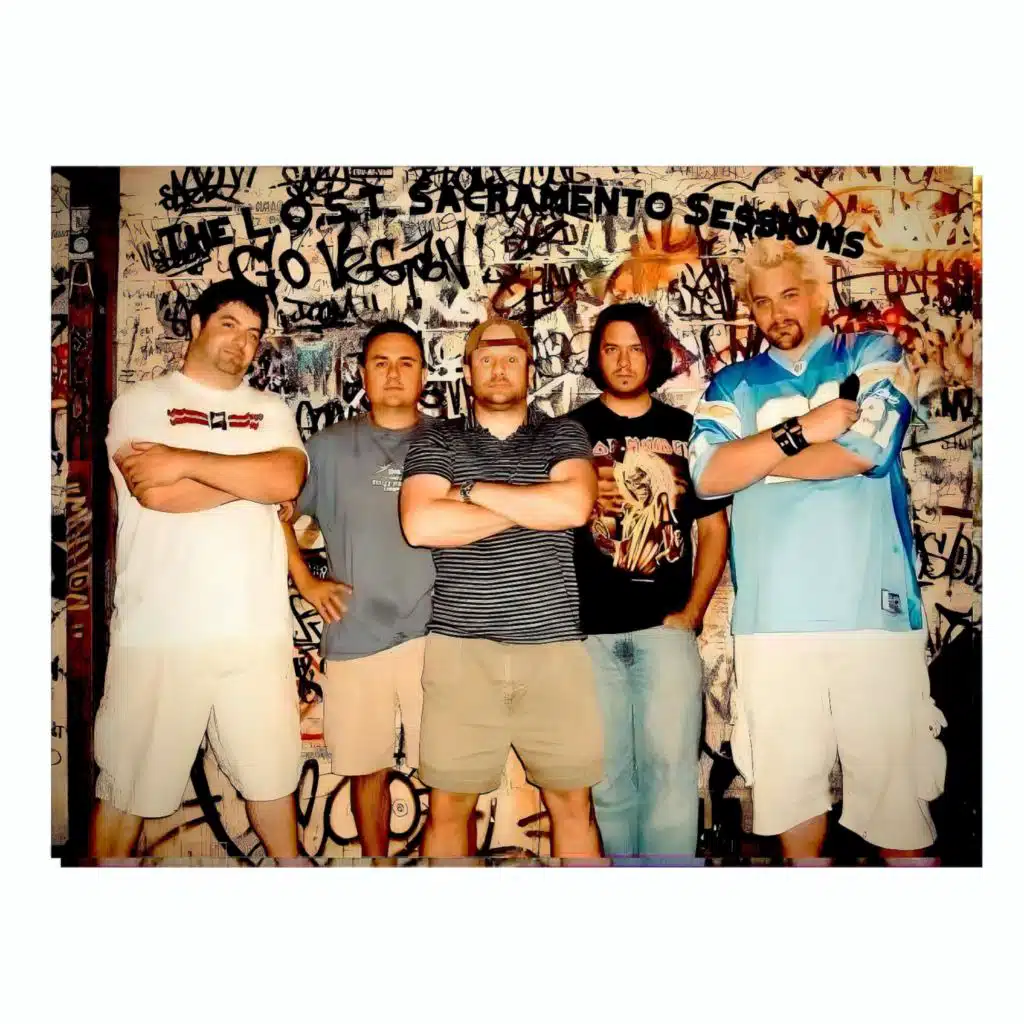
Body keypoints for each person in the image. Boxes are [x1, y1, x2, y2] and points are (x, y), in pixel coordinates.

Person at [688, 238, 945, 865]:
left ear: (818, 294)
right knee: (790, 804)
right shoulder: (733, 383)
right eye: (762, 301)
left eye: (789, 295)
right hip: (772, 624)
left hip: (875, 618)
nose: (777, 312)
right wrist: (802, 430)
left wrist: (756, 460)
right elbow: (706, 478)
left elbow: (867, 450)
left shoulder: (872, 353)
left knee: (899, 808)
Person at [90, 277, 309, 864]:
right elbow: (156, 494)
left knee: (273, 783)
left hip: (255, 633)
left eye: (254, 334)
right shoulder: (142, 404)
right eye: (229, 325)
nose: (242, 343)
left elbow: (287, 477)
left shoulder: (270, 410)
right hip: (160, 633)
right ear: (196, 325)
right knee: (127, 792)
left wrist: (183, 460)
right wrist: (252, 481)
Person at [399, 317, 604, 859]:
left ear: (529, 369)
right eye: (486, 358)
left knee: (573, 805)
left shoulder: (562, 433)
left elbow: (575, 507)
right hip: (460, 650)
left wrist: (468, 491)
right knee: (448, 809)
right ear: (467, 372)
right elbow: (420, 524)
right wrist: (535, 503)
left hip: (554, 647)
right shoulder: (436, 438)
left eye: (511, 358)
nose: (498, 368)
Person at [568, 303, 729, 861]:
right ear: (596, 356)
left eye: (636, 348)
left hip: (665, 631)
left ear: (654, 355)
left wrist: (692, 613)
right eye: (611, 348)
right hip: (589, 636)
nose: (623, 361)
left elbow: (714, 529)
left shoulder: (685, 431)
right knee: (607, 781)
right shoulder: (569, 432)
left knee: (672, 776)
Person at [277, 321, 435, 858]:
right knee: (366, 772)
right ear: (362, 373)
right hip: (354, 635)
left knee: (447, 774)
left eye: (406, 363)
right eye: (381, 363)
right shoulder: (326, 449)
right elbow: (275, 514)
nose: (393, 374)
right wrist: (305, 580)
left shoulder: (449, 443)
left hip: (436, 636)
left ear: (423, 374)